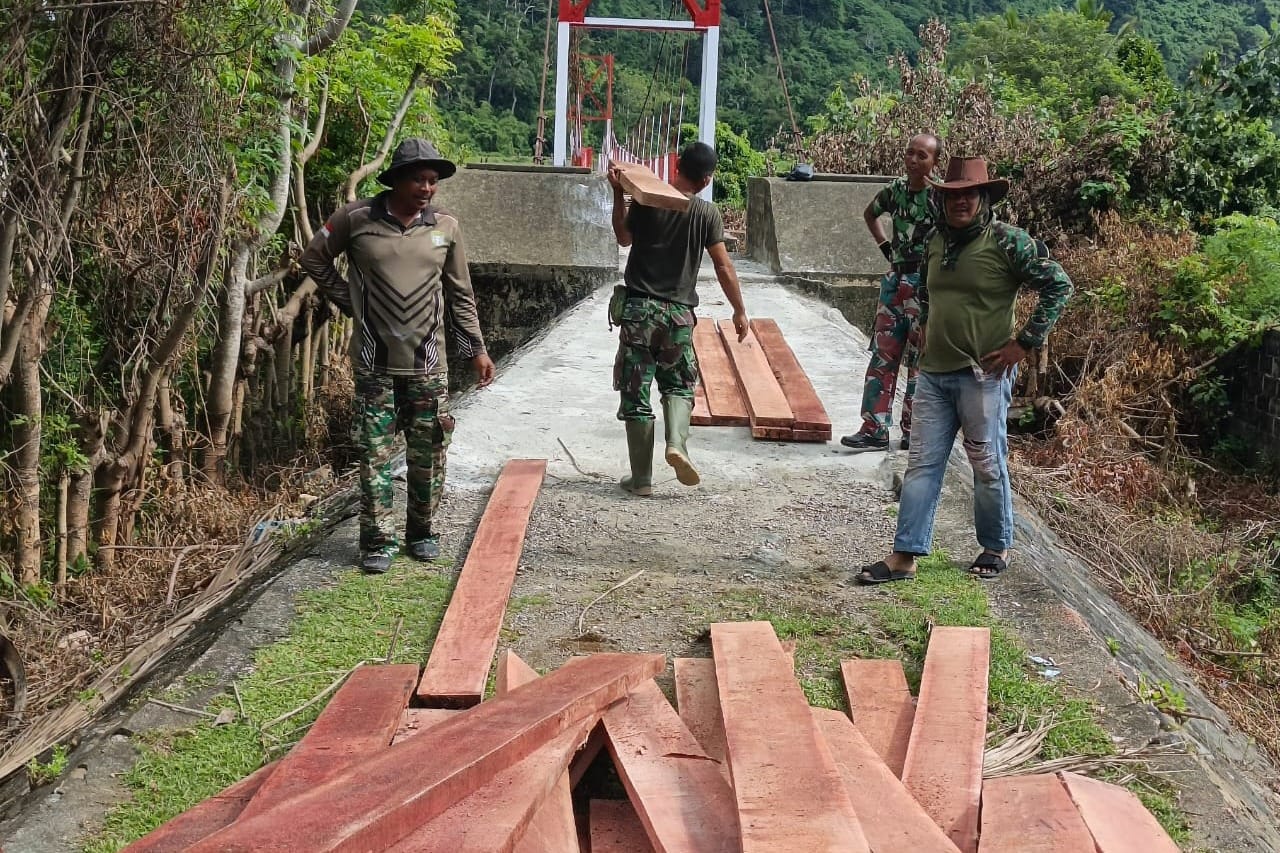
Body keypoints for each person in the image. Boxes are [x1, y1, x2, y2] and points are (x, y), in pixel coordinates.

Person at [855, 157, 1073, 584]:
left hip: (983, 375)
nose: (961, 201)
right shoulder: (934, 239)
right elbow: (922, 286)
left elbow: (1059, 285)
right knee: (921, 464)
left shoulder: (1009, 242)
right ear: (942, 198)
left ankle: (995, 546)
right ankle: (905, 555)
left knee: (986, 463)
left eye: (969, 194)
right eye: (952, 194)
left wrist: (1024, 343)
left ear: (983, 197)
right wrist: (923, 324)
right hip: (934, 372)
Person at [300, 138, 495, 574]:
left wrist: (477, 350)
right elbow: (314, 258)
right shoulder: (356, 219)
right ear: (397, 180)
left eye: (433, 181)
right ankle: (377, 542)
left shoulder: (446, 227)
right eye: (419, 179)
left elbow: (461, 295)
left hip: (429, 365)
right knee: (374, 456)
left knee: (429, 455)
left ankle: (422, 534)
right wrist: (350, 301)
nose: (427, 188)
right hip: (374, 366)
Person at [607, 142, 749, 496]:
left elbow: (623, 238)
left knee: (635, 391)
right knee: (679, 386)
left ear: (676, 167)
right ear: (705, 180)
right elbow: (722, 265)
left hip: (640, 312)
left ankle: (641, 480)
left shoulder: (646, 201)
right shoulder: (707, 214)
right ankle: (677, 445)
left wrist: (616, 194)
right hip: (679, 317)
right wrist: (739, 310)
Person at [841, 132, 941, 453]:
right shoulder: (896, 190)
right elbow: (870, 214)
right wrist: (885, 245)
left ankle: (914, 431)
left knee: (919, 360)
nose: (913, 160)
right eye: (910, 153)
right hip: (894, 283)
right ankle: (873, 428)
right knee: (883, 355)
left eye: (922, 155)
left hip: (925, 287)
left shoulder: (940, 198)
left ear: (935, 162)